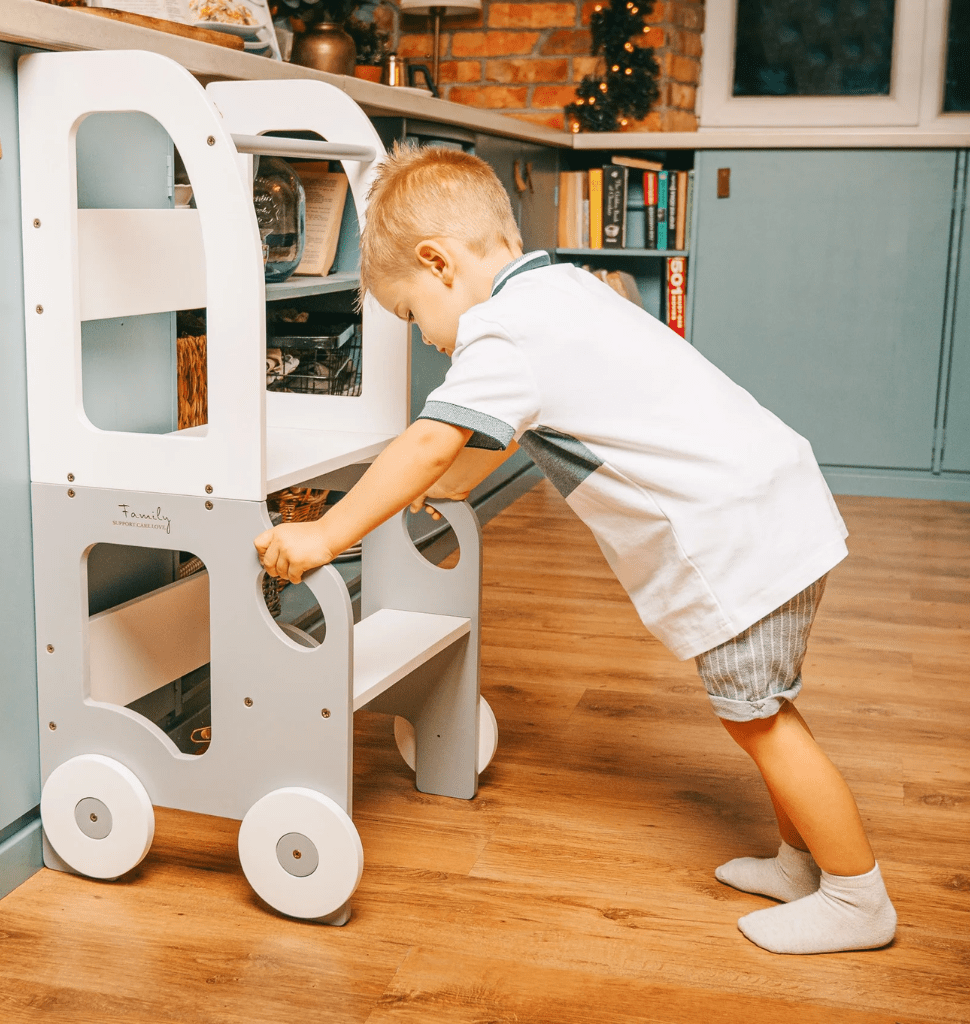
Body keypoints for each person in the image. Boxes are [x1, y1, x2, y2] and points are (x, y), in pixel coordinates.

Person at [254, 144, 897, 955]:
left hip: (735, 537)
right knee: (761, 706)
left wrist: (324, 532)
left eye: (414, 315)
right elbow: (505, 434)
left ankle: (856, 898)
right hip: (770, 505)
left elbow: (429, 441)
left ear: (438, 263)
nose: (427, 341)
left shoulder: (503, 333)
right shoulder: (557, 289)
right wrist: (450, 486)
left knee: (760, 719)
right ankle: (803, 864)